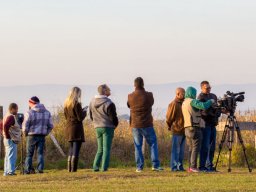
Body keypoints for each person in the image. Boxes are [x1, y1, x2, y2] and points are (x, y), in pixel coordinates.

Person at [128, 77, 163, 172]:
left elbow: (129, 105)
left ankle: (139, 167)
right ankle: (155, 165)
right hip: (147, 123)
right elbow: (151, 103)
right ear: (143, 84)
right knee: (153, 144)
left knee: (137, 146)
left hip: (135, 124)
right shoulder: (149, 95)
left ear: (134, 85)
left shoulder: (130, 96)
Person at [182, 87, 214, 173]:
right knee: (196, 148)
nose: (195, 95)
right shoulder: (192, 101)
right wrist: (211, 101)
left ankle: (190, 167)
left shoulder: (184, 102)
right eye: (194, 93)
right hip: (194, 127)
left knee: (191, 148)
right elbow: (203, 106)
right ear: (192, 93)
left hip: (187, 128)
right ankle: (193, 167)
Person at [89, 84, 119, 172]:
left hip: (97, 127)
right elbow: (113, 117)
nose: (110, 91)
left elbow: (91, 115)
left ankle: (95, 166)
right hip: (108, 127)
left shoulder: (92, 102)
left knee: (100, 148)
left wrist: (96, 123)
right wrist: (115, 125)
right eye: (109, 90)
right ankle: (104, 167)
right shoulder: (109, 103)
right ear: (105, 91)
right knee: (106, 149)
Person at [22, 96, 54, 174]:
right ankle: (40, 169)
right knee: (40, 153)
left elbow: (25, 126)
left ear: (31, 103)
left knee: (29, 154)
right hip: (42, 136)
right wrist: (46, 133)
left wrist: (25, 133)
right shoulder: (47, 112)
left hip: (31, 135)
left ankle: (28, 170)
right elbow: (51, 126)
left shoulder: (29, 113)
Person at [198, 81, 220, 172]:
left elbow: (217, 108)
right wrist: (212, 112)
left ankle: (210, 165)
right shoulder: (200, 97)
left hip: (213, 124)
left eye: (209, 87)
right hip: (205, 124)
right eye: (207, 88)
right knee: (205, 146)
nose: (209, 89)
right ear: (202, 88)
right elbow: (203, 111)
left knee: (212, 146)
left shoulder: (213, 96)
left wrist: (217, 114)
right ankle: (202, 166)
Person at [64, 87, 87, 172]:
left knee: (71, 148)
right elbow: (80, 118)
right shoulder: (76, 104)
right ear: (77, 94)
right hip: (76, 128)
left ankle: (69, 169)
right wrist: (84, 112)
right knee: (76, 149)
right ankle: (74, 169)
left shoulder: (66, 104)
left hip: (69, 127)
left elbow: (66, 116)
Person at [166, 88, 186, 172]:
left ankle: (180, 166)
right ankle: (174, 167)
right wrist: (169, 126)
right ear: (177, 94)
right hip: (177, 130)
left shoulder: (184, 103)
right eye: (183, 93)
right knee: (175, 150)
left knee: (181, 151)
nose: (184, 95)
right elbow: (169, 117)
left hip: (184, 130)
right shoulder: (173, 104)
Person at [2, 103, 21, 176]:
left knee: (7, 156)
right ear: (12, 109)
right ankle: (11, 172)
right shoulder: (11, 117)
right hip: (11, 139)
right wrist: (7, 135)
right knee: (12, 156)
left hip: (6, 139)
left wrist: (4, 133)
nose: (17, 111)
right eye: (16, 109)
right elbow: (6, 125)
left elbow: (2, 125)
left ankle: (6, 172)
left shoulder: (6, 116)